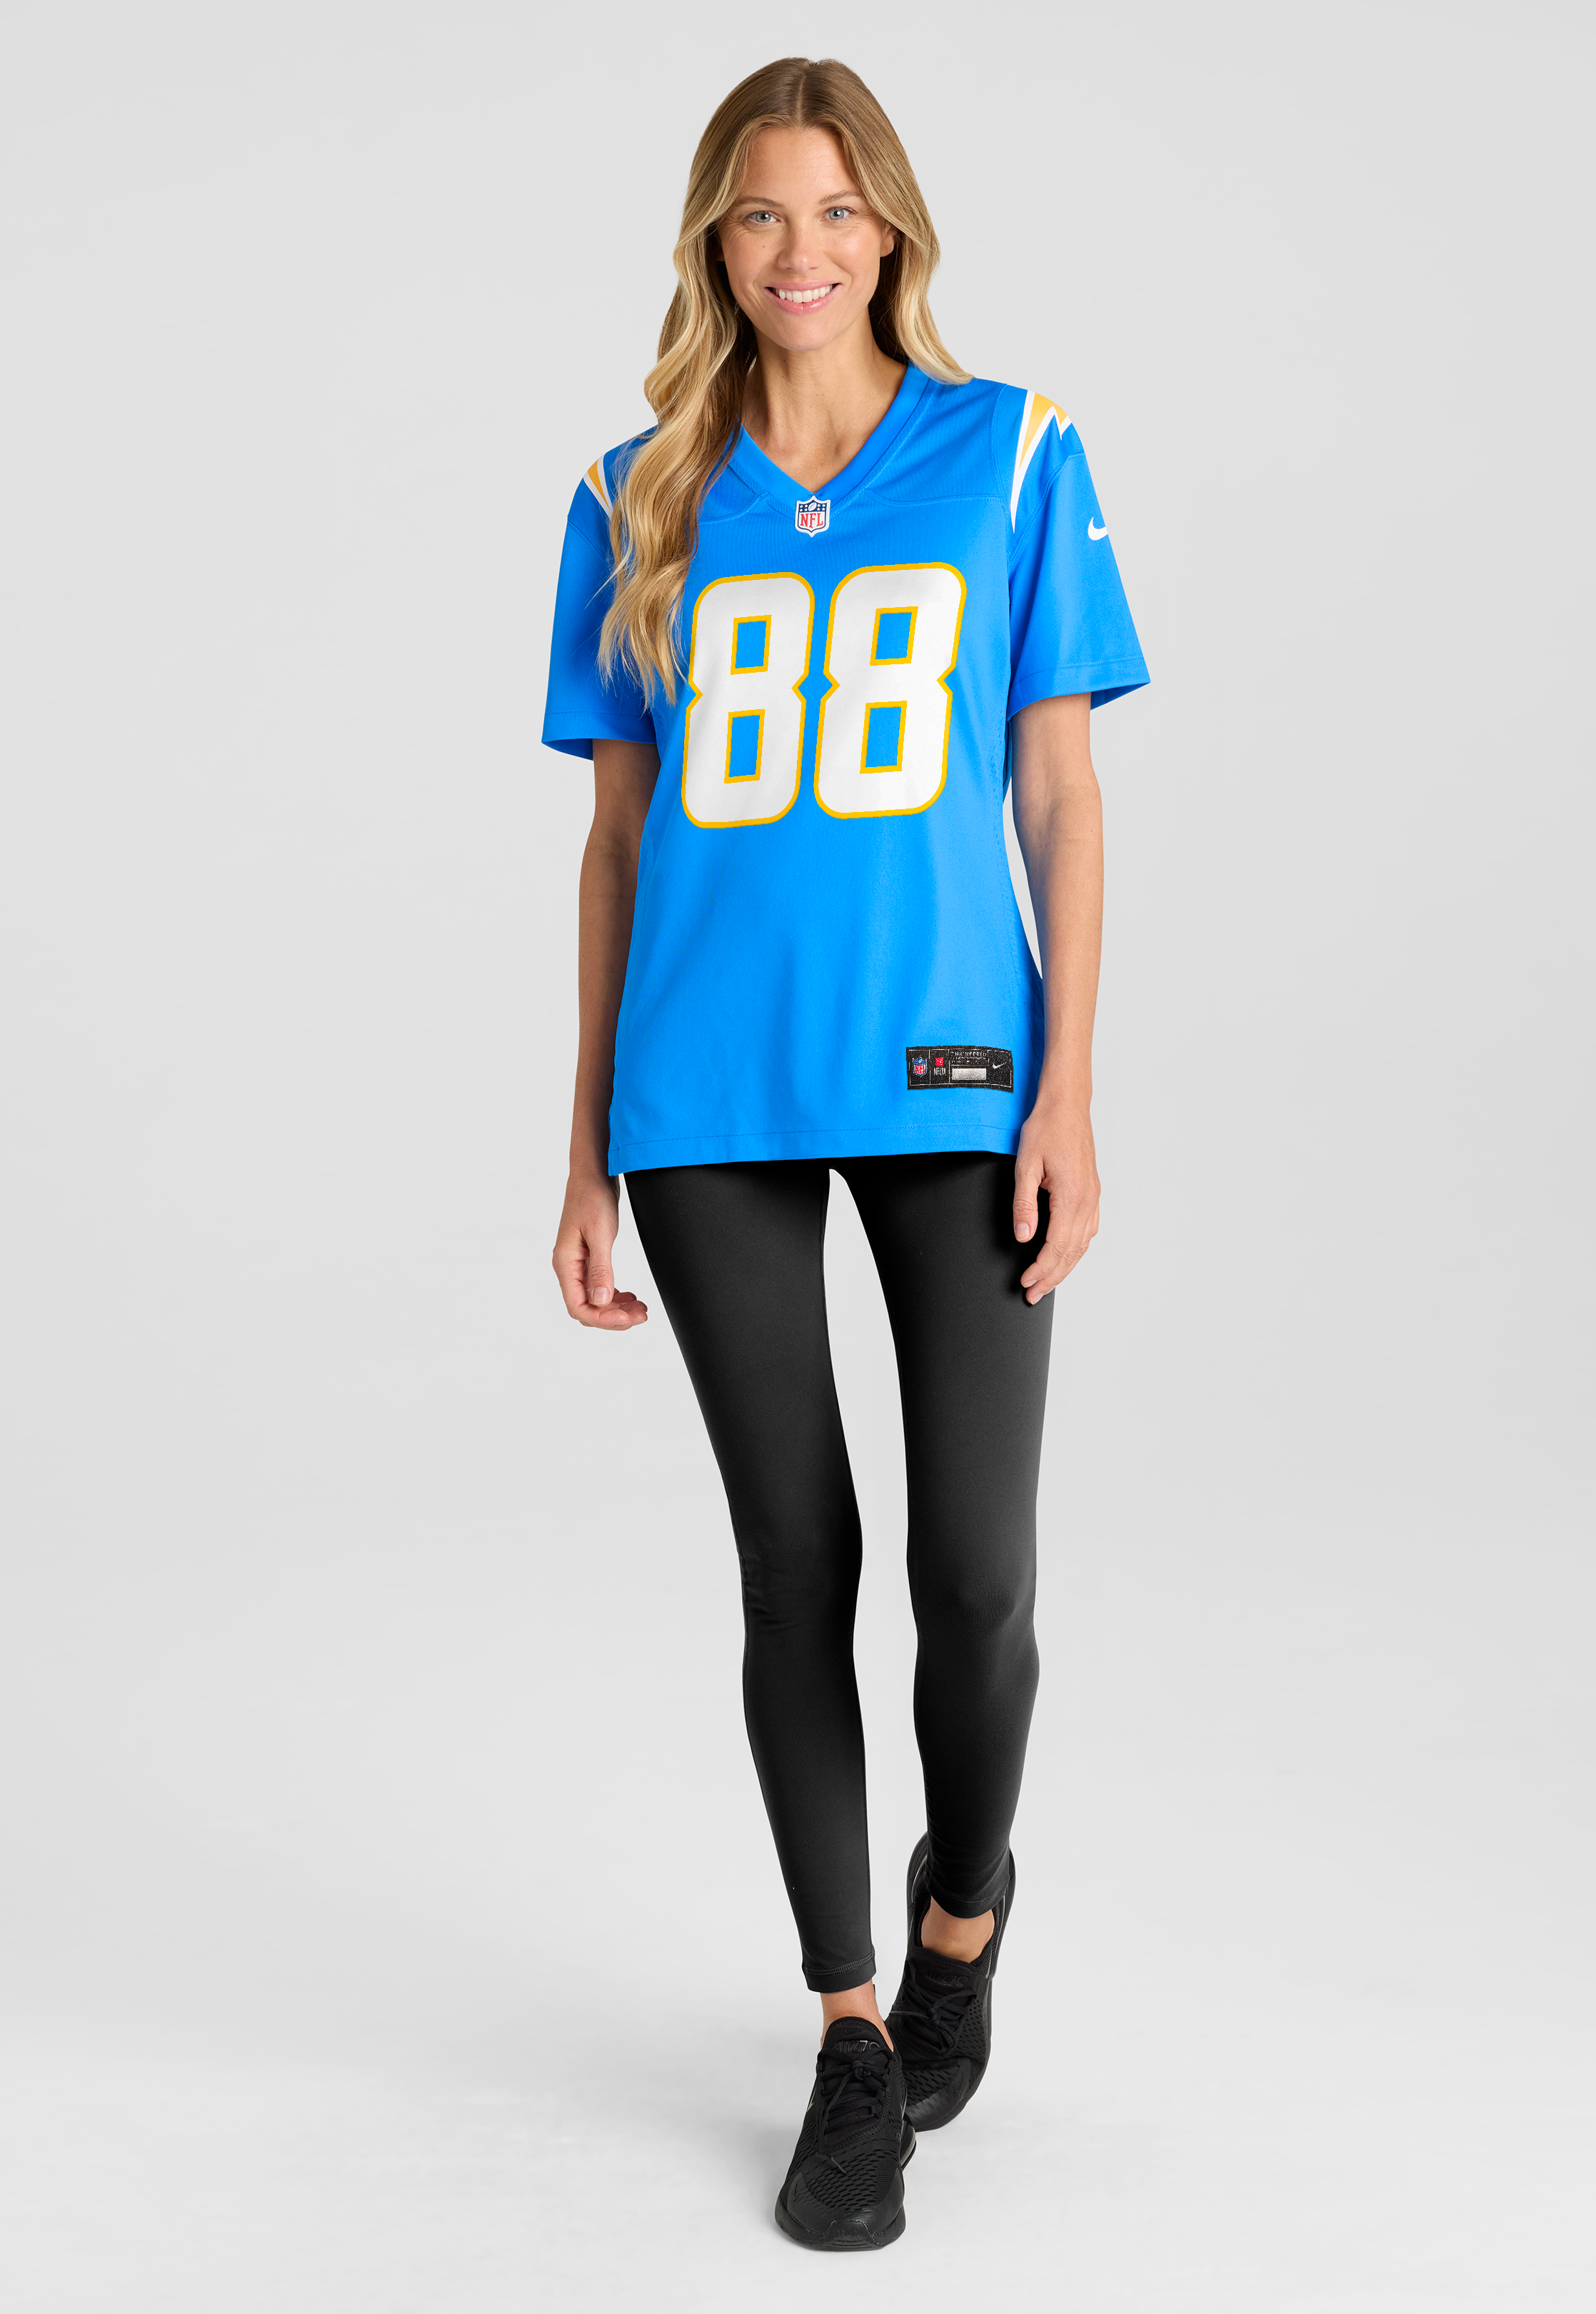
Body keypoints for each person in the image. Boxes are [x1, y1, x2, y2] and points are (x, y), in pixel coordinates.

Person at [540, 55, 1147, 2250]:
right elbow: (619, 843)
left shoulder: (1015, 454)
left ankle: (961, 1910)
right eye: (757, 214)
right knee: (794, 1563)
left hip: (957, 1072)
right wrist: (586, 1140)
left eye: (834, 209)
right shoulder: (635, 493)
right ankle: (850, 2034)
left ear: (891, 226)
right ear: (712, 243)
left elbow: (1059, 792)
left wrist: (1070, 1090)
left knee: (975, 1581)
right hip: (705, 1093)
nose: (799, 251)